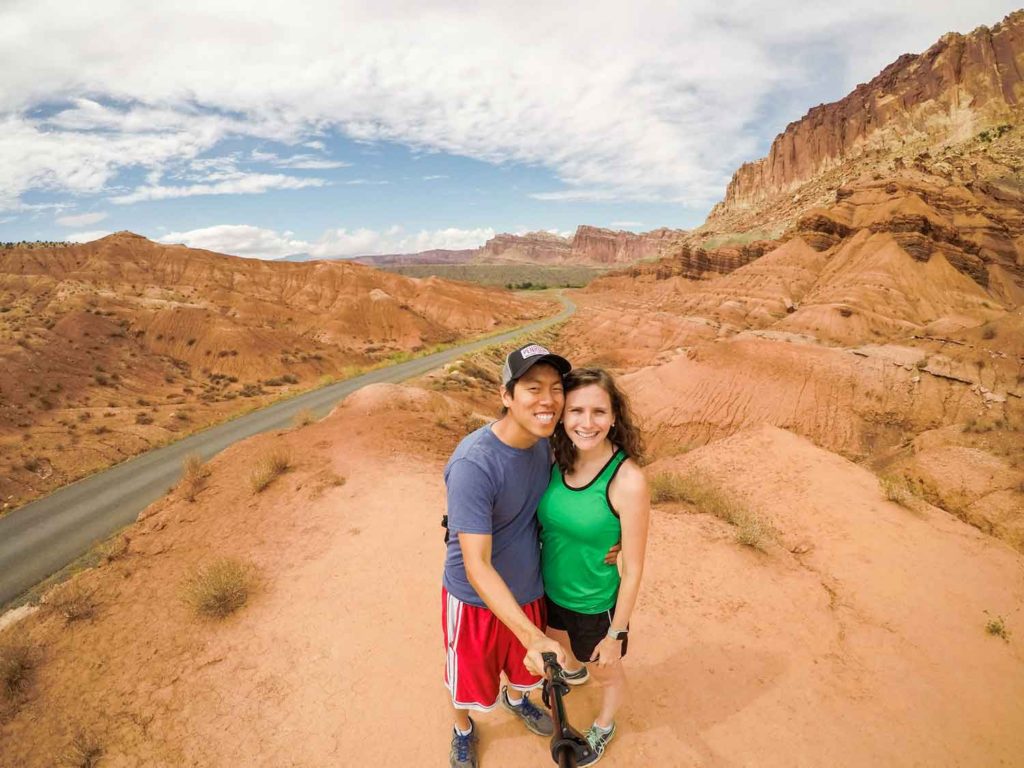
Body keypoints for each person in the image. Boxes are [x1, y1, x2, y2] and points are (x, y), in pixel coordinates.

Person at [442, 342, 573, 768]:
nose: (548, 400)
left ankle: (516, 699)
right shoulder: (474, 464)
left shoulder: (542, 445)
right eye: (533, 388)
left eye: (556, 388)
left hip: (527, 589)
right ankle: (462, 729)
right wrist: (532, 634)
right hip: (475, 600)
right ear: (506, 396)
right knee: (465, 678)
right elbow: (477, 563)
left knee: (522, 670)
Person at [538, 367, 651, 765]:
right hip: (551, 592)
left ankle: (604, 724)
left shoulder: (627, 481)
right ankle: (576, 673)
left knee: (606, 669)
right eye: (576, 411)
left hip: (595, 604)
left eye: (599, 412)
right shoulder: (554, 459)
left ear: (615, 416)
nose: (587, 423)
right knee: (564, 652)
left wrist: (615, 634)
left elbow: (634, 568)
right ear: (562, 416)